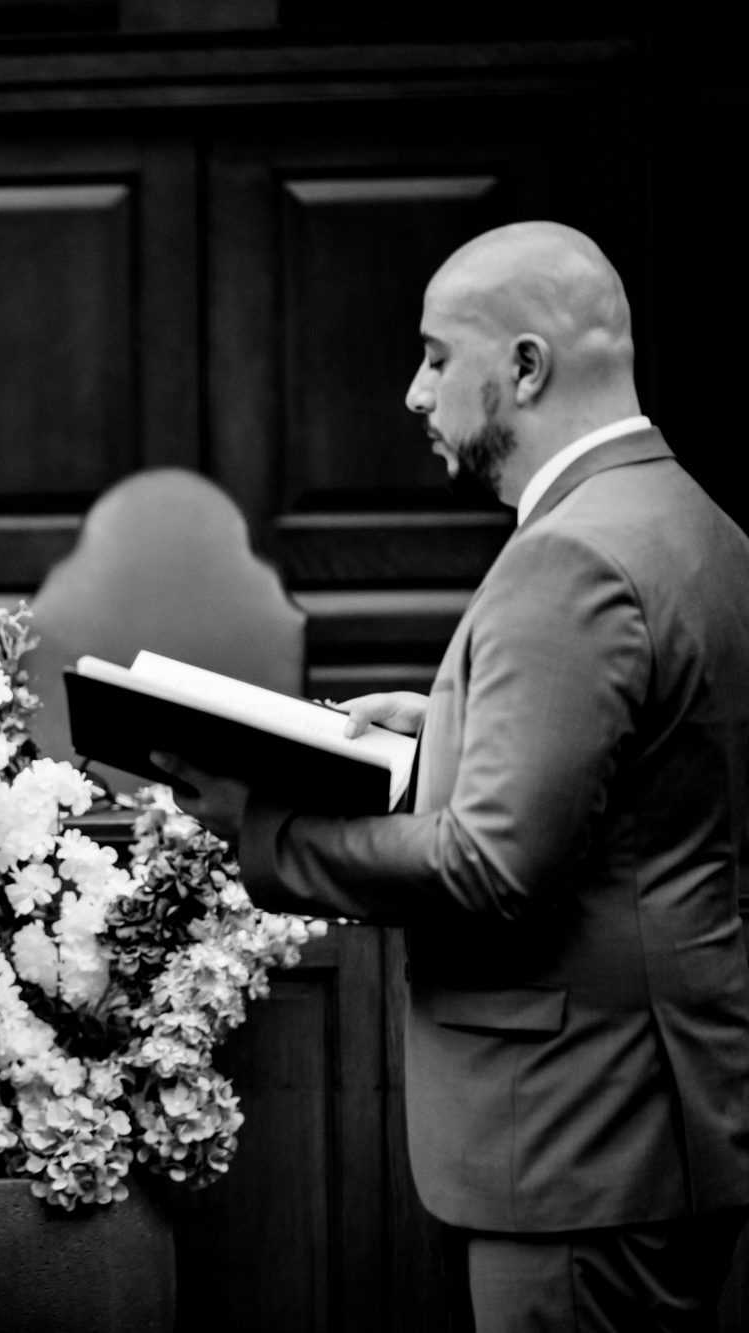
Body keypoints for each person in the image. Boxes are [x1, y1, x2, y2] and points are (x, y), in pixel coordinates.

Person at [159, 222, 749, 1332]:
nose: (413, 391)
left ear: (524, 366)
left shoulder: (568, 554)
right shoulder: (691, 519)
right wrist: (446, 729)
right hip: (659, 1113)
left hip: (581, 1135)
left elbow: (489, 864)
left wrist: (260, 828)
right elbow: (650, 767)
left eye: (436, 356)